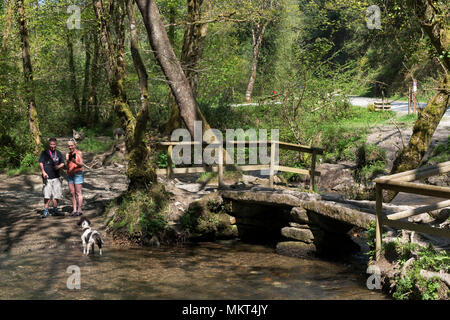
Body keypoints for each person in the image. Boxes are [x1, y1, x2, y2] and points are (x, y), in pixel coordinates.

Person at [39, 137, 65, 218]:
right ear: (49, 144)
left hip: (56, 177)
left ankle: (55, 210)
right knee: (47, 194)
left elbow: (63, 163)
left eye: (54, 144)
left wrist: (59, 166)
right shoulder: (44, 153)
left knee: (56, 194)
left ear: (56, 144)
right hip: (47, 177)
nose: (52, 146)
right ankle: (46, 210)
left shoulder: (59, 153)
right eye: (51, 144)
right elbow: (41, 162)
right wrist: (43, 172)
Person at [66, 139, 85, 216]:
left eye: (72, 145)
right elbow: (67, 166)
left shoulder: (79, 153)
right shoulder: (67, 154)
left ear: (75, 145)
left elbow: (81, 164)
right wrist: (67, 162)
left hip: (78, 174)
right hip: (70, 174)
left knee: (78, 192)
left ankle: (79, 210)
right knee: (72, 193)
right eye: (69, 146)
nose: (70, 147)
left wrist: (75, 162)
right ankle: (74, 209)